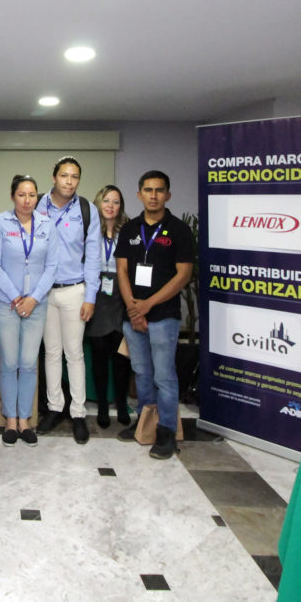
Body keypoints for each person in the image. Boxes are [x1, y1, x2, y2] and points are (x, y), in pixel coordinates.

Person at [115, 170, 193, 459]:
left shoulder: (179, 230)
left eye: (159, 190)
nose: (153, 195)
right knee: (142, 373)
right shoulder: (129, 229)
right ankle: (145, 423)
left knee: (164, 376)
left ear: (167, 195)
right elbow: (122, 270)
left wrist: (147, 305)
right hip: (133, 314)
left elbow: (183, 275)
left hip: (164, 316)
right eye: (148, 190)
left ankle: (166, 432)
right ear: (139, 195)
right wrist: (133, 308)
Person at [0, 175, 59, 447]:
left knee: (28, 363)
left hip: (36, 305)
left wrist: (33, 298)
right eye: (21, 195)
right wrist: (18, 298)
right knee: (9, 362)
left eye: (32, 195)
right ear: (12, 196)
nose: (27, 200)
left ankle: (25, 420)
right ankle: (10, 420)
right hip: (6, 303)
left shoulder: (47, 225)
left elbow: (52, 266)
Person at [34, 157, 101, 445]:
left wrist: (91, 296)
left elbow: (94, 256)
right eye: (64, 176)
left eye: (74, 177)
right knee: (51, 353)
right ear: (54, 177)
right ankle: (54, 408)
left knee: (74, 354)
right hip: (43, 292)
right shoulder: (37, 205)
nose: (69, 181)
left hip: (75, 291)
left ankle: (78, 413)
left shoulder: (86, 209)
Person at [84, 185, 132, 428]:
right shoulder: (89, 229)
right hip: (96, 293)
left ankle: (121, 403)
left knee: (121, 355)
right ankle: (102, 404)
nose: (111, 206)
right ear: (98, 203)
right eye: (106, 200)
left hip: (121, 293)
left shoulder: (129, 231)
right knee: (99, 354)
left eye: (116, 201)